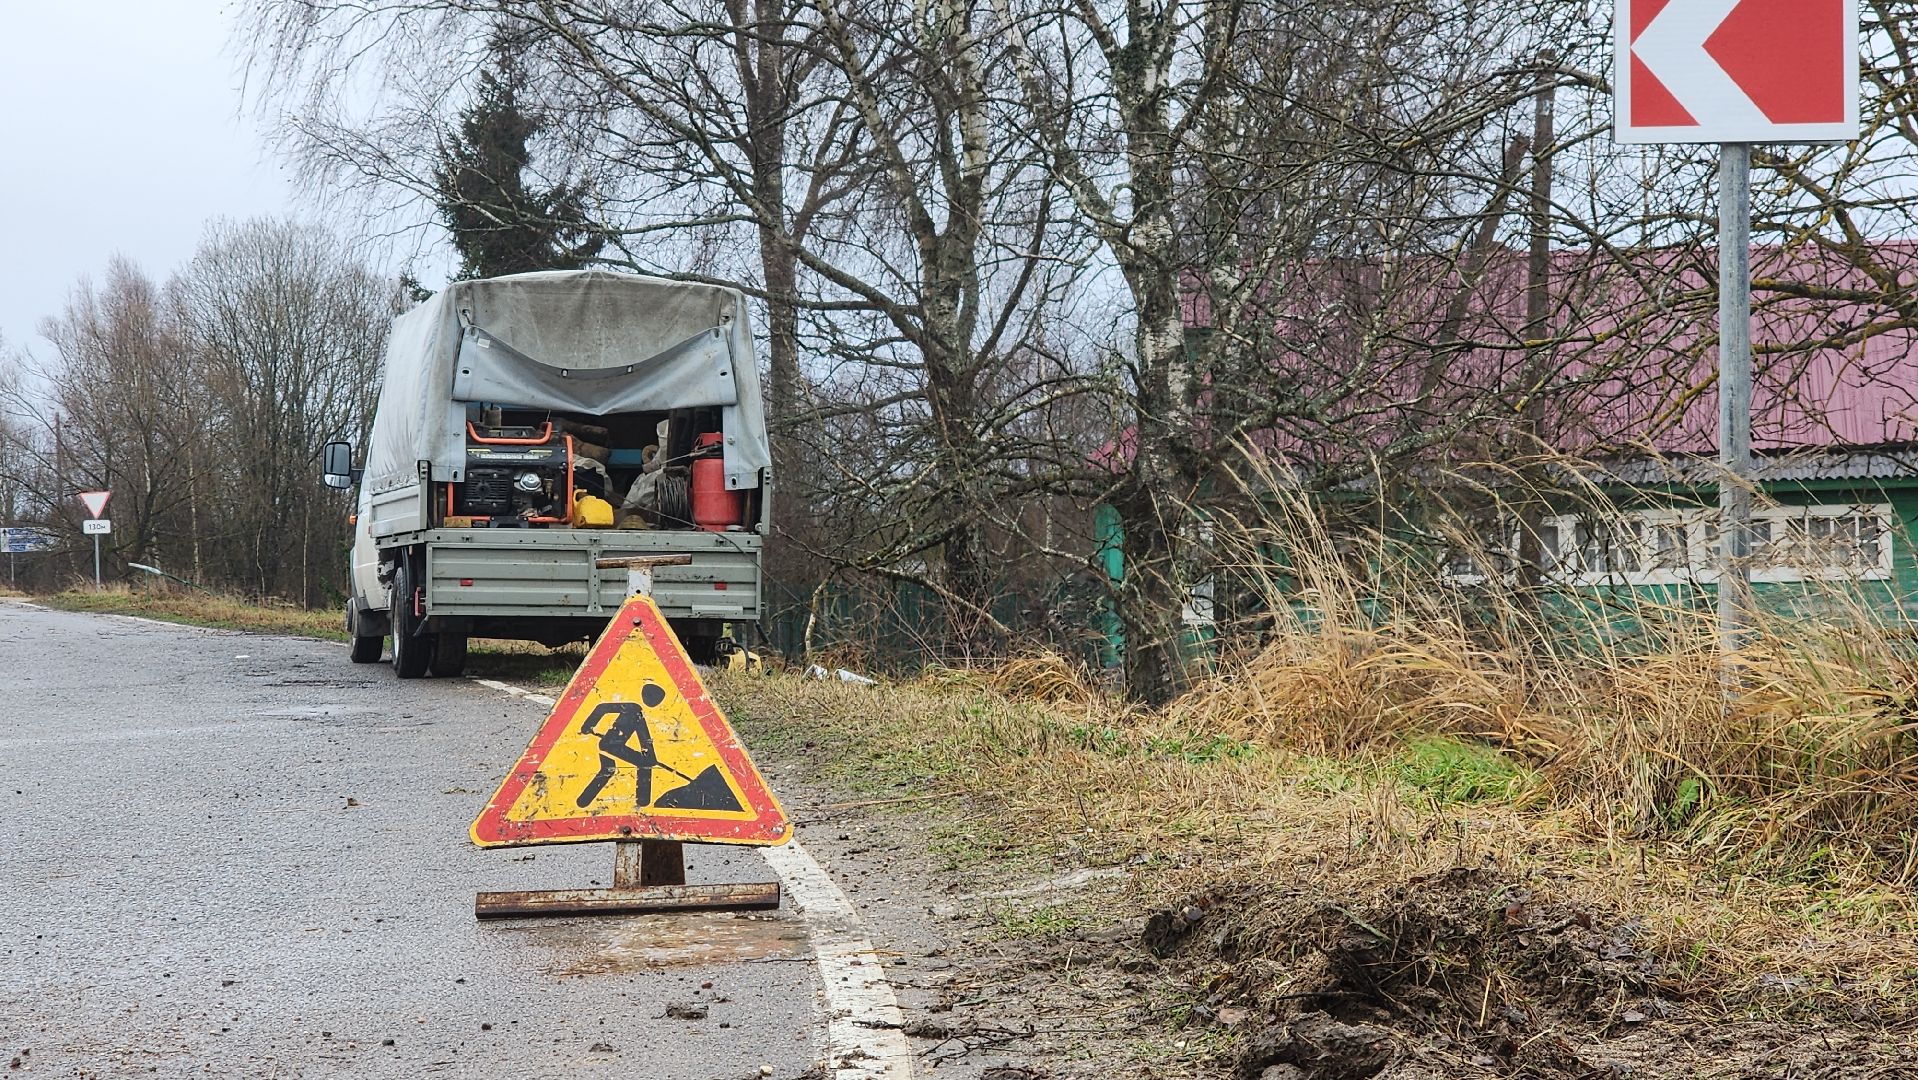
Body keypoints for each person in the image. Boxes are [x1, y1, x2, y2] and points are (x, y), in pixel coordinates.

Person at [573, 683, 669, 808]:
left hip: (614, 746)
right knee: (634, 765)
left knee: (611, 768)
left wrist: (651, 755)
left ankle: (583, 802)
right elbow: (602, 708)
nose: (654, 702)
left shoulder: (639, 712)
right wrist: (588, 725)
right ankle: (643, 801)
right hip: (611, 744)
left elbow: (643, 736)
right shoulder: (633, 708)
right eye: (653, 698)